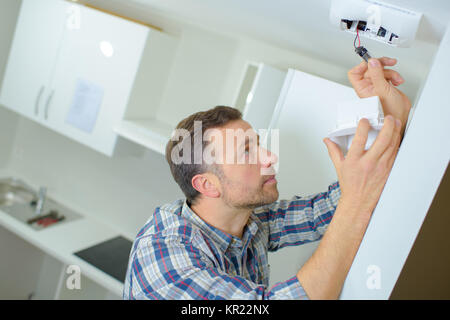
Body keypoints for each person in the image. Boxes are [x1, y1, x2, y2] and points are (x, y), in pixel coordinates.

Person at [123, 57, 411, 300]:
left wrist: (387, 120)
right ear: (207, 185)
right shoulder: (164, 258)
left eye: (258, 143)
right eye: (247, 151)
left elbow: (320, 212)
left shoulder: (247, 217)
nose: (269, 156)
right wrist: (356, 202)